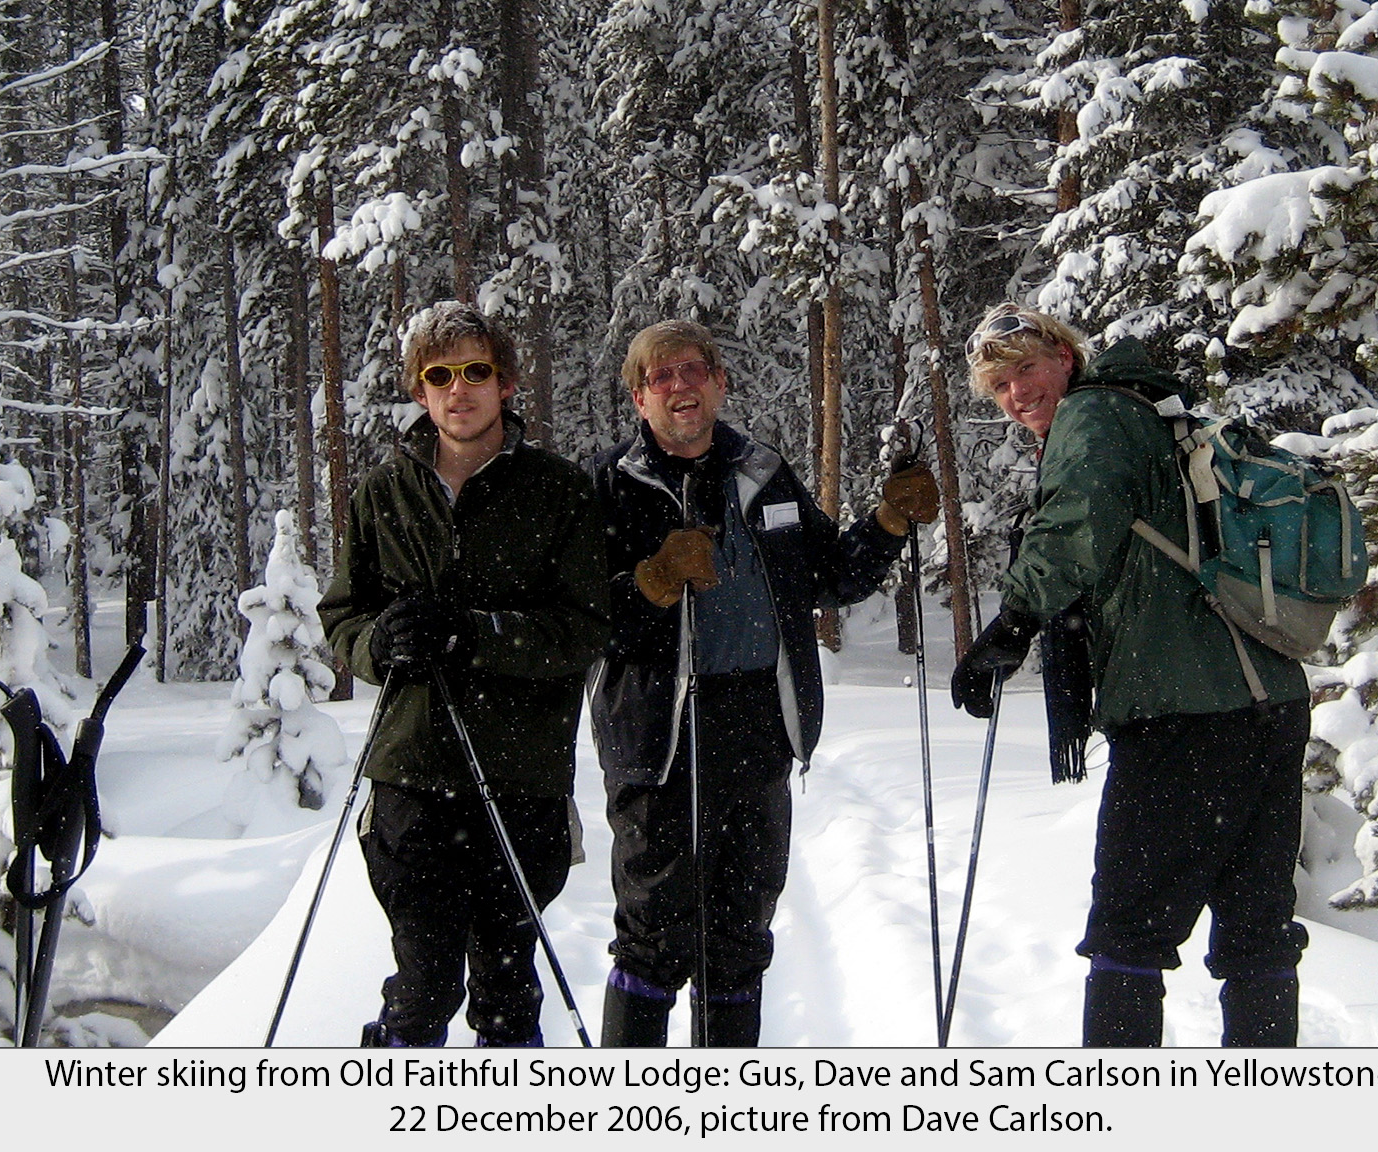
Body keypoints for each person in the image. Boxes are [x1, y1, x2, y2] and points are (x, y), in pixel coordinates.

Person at [949, 302, 1312, 1048]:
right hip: (1267, 702)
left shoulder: (1094, 417)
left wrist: (1010, 628)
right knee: (1257, 933)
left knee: (1127, 935)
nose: (1018, 393)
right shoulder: (1155, 411)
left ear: (1064, 355)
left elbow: (1076, 523)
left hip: (1184, 711)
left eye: (1026, 369)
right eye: (1000, 386)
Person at [590, 319, 940, 1046]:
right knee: (653, 936)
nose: (681, 387)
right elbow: (579, 621)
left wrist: (888, 521)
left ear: (720, 382)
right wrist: (651, 583)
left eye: (694, 370)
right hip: (659, 736)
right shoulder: (608, 485)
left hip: (756, 726)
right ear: (637, 396)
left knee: (740, 935)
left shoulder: (762, 469)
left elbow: (829, 576)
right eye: (662, 377)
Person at [320, 301, 609, 1048]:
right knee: (420, 987)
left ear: (505, 382)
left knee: (509, 989)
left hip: (519, 776)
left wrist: (474, 635)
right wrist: (380, 643)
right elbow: (343, 616)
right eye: (439, 376)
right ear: (420, 391)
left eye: (475, 371)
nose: (459, 390)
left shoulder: (559, 489)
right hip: (411, 775)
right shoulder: (384, 491)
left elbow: (582, 630)